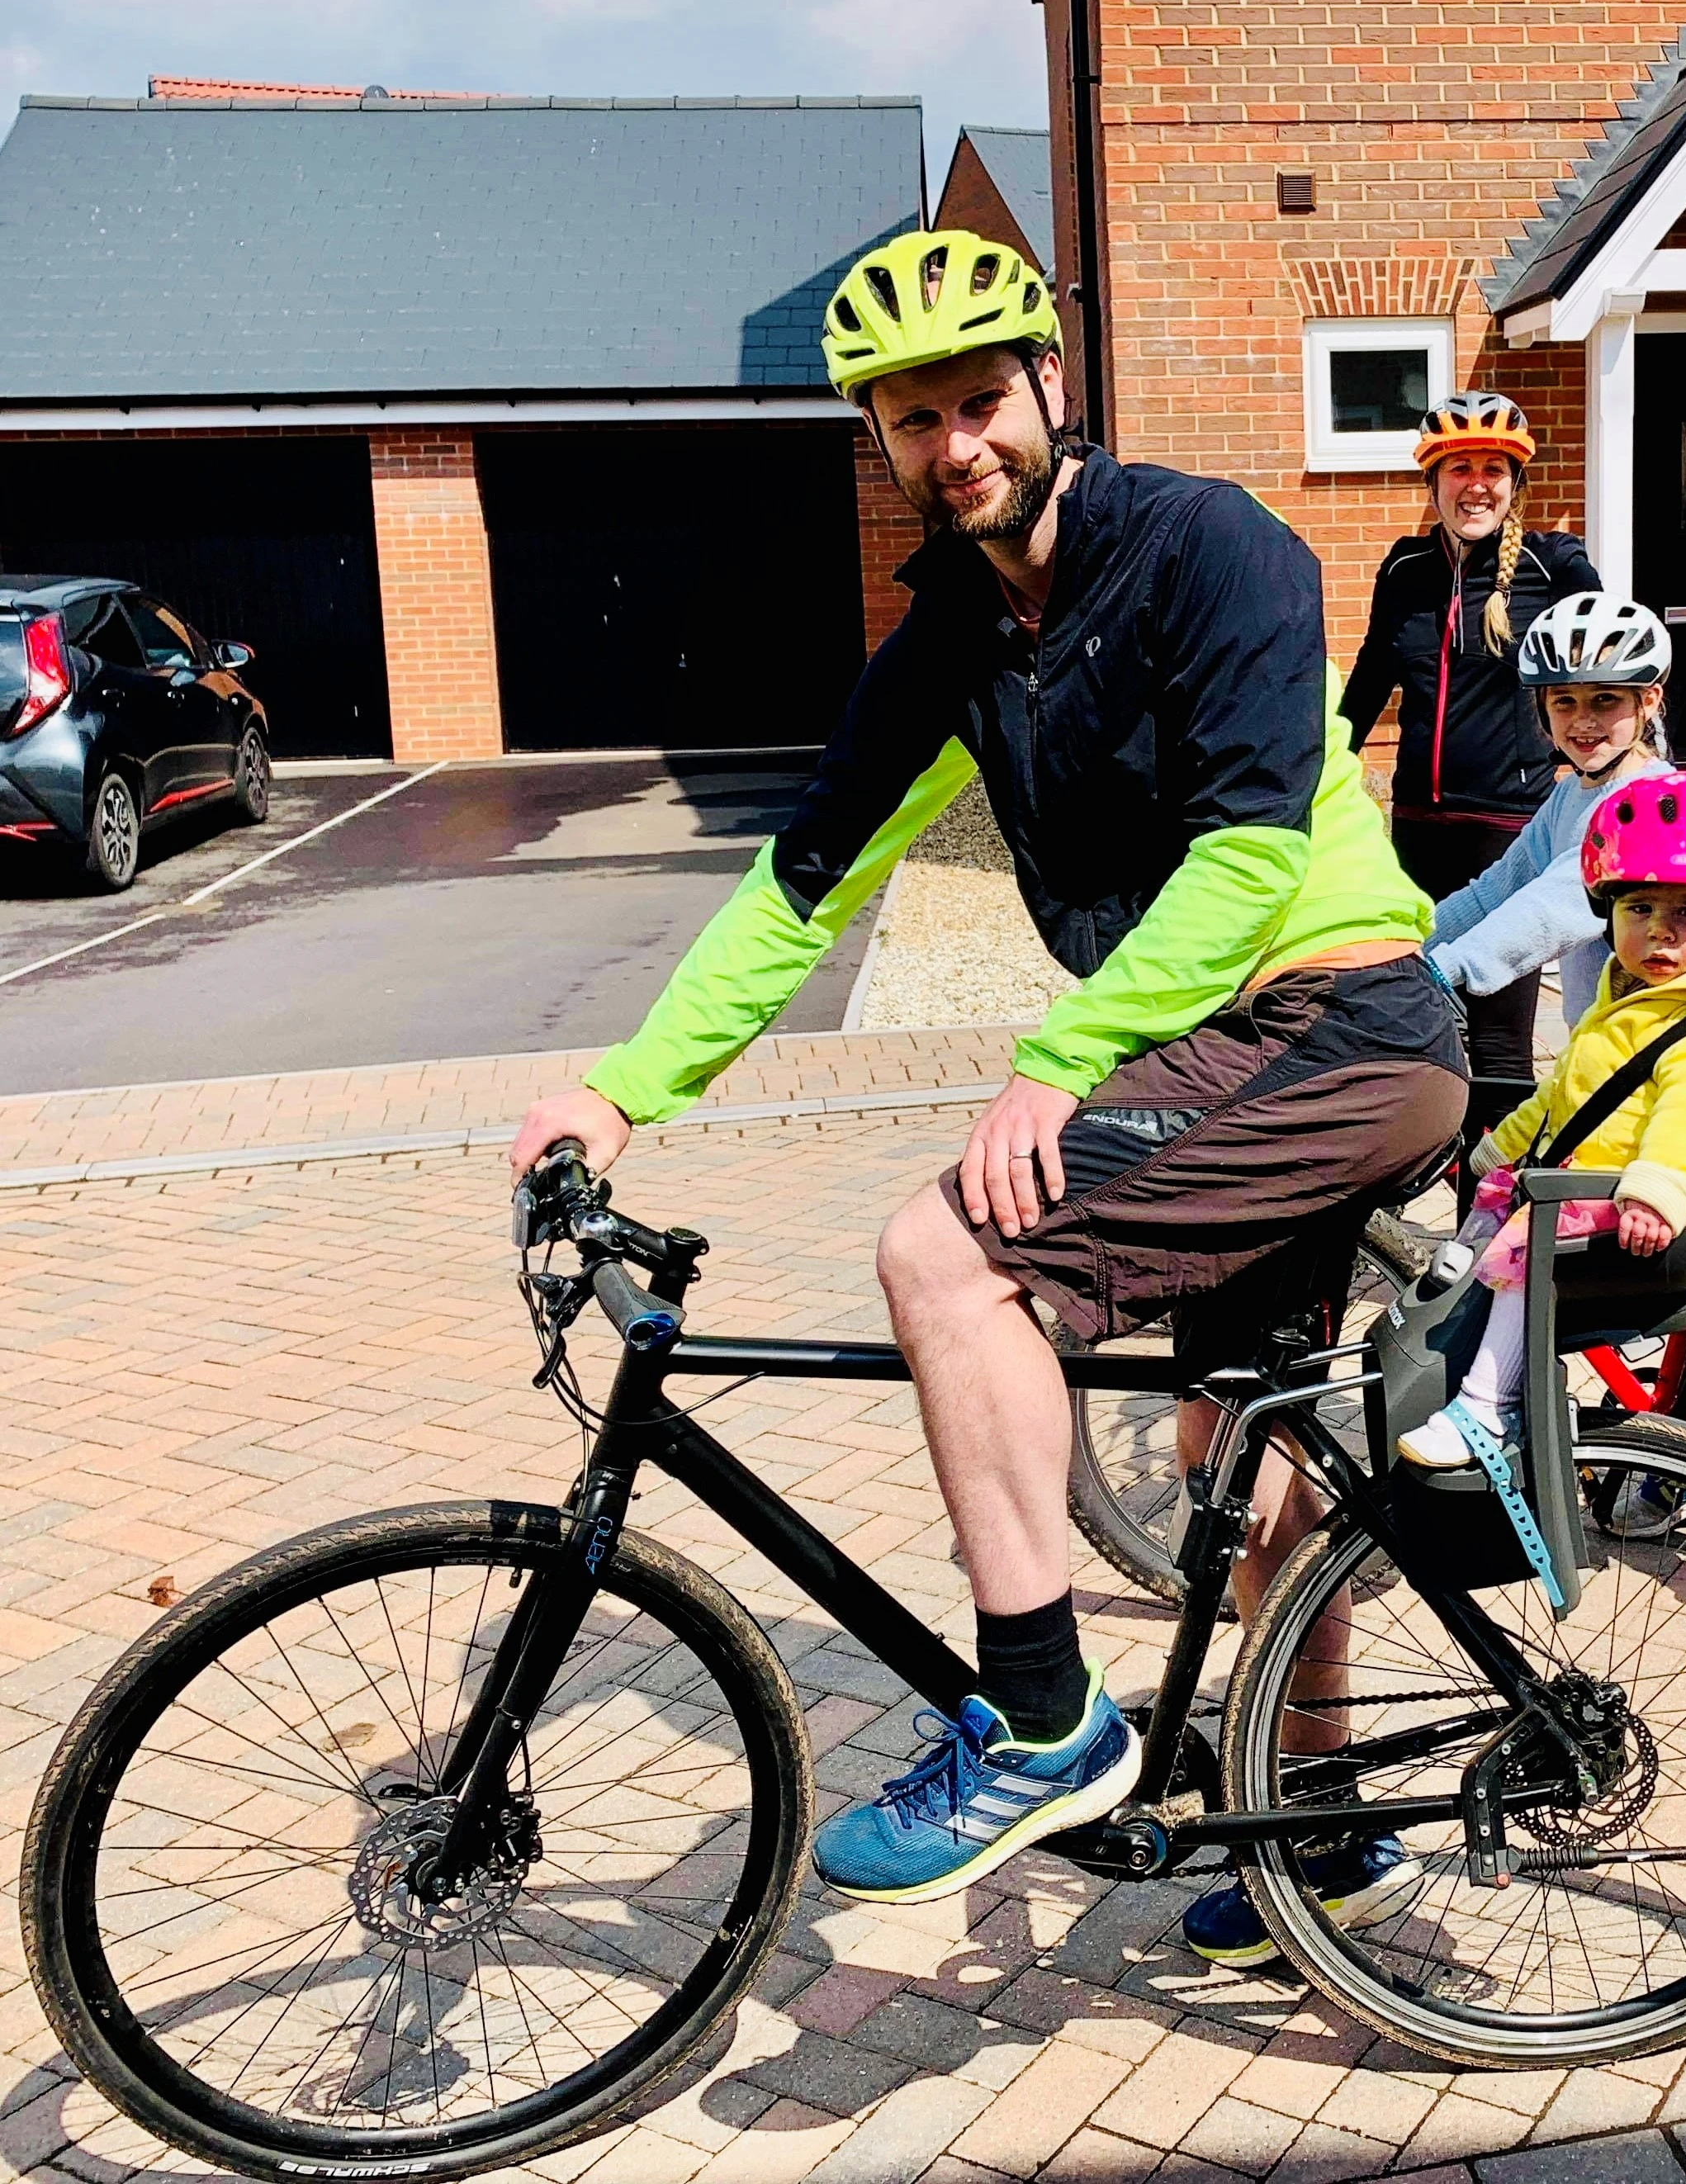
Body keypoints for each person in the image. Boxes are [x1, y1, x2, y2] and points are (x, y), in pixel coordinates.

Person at [508, 230, 1467, 1907]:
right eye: (910, 422)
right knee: (1232, 1456)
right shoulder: (952, 635)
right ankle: (1328, 1829)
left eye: (978, 401)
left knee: (944, 1258)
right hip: (1221, 1051)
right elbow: (803, 881)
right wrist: (624, 1089)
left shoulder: (1207, 546)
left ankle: (1039, 1722)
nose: (956, 446)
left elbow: (1248, 857)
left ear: (1052, 387)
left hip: (1339, 1025)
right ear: (880, 448)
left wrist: (1054, 1060)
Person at [1396, 772, 1686, 1639]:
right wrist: (1503, 1143)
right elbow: (1570, 1092)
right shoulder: (1626, 999)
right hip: (1593, 1176)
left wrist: (1657, 1186)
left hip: (1658, 1198)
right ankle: (1661, 1461)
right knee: (1479, 1243)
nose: (1659, 932)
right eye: (1638, 910)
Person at [1342, 391, 1598, 1081]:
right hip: (1418, 827)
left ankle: (1501, 1190)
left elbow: (1614, 668)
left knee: (1498, 1043)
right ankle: (1453, 1172)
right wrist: (1317, 773)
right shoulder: (1403, 570)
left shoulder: (1555, 567)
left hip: (1508, 830)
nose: (1476, 484)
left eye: (1493, 468)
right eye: (1459, 469)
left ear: (1516, 484)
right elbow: (1370, 679)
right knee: (1424, 1023)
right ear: (1434, 482)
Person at [1424, 592, 1674, 1040]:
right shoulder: (1572, 794)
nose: (1582, 721)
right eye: (1564, 701)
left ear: (1649, 701)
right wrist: (1409, 944)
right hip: (1599, 1032)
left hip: (1651, 1035)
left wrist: (1447, 968)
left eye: (1604, 700)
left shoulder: (1652, 803)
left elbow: (1557, 905)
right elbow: (1497, 891)